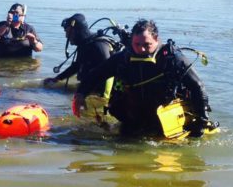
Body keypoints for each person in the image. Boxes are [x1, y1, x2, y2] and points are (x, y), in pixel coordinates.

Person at [73, 18, 217, 137]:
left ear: (156, 40)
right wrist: (80, 94)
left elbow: (198, 86)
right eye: (137, 44)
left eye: (146, 45)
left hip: (164, 117)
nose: (141, 49)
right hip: (133, 116)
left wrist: (201, 121)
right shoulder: (123, 58)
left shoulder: (172, 59)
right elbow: (96, 74)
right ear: (132, 42)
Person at [43, 13, 115, 88]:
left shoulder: (98, 46)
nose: (66, 36)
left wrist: (103, 98)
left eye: (68, 32)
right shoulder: (85, 44)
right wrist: (56, 79)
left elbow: (109, 72)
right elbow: (77, 66)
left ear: (77, 32)